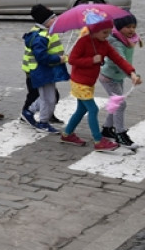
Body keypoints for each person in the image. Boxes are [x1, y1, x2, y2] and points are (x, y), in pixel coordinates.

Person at [60, 14, 141, 151]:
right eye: (104, 32)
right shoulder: (83, 42)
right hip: (79, 82)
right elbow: (72, 60)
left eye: (109, 32)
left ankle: (67, 134)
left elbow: (119, 59)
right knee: (93, 109)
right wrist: (92, 60)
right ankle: (98, 141)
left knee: (81, 109)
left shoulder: (104, 44)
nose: (107, 35)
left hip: (89, 82)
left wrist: (132, 73)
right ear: (94, 30)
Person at [21, 4, 68, 132]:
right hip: (41, 71)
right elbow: (42, 57)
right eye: (53, 18)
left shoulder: (46, 32)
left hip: (46, 71)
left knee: (47, 97)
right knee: (49, 98)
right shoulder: (41, 36)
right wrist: (59, 59)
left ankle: (29, 112)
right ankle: (43, 122)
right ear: (46, 22)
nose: (56, 19)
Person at [100, 14, 141, 150]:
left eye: (133, 27)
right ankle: (120, 133)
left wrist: (130, 74)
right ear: (118, 27)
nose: (132, 30)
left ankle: (106, 129)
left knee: (115, 104)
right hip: (109, 77)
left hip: (119, 76)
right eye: (128, 27)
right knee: (120, 104)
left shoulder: (127, 38)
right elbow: (120, 61)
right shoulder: (116, 42)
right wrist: (132, 75)